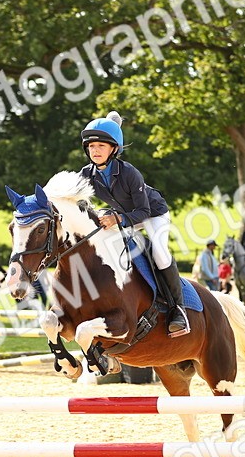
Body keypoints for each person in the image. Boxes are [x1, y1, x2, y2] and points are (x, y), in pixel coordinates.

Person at [80, 111, 191, 336]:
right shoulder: (86, 174)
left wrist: (118, 218)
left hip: (153, 214)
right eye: (91, 146)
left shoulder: (129, 172)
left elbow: (143, 211)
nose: (95, 150)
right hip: (122, 214)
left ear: (114, 149)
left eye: (101, 145)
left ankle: (178, 310)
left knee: (159, 253)